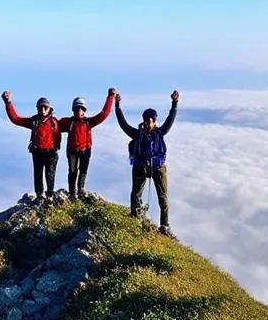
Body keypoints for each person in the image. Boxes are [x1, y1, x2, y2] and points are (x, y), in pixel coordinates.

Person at [115, 90, 179, 236]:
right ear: (144, 120)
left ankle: (164, 225)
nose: (149, 123)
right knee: (136, 194)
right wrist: (117, 106)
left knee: (162, 197)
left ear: (155, 121)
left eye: (151, 120)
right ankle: (135, 216)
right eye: (147, 120)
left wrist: (174, 103)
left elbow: (170, 120)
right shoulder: (138, 134)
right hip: (142, 167)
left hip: (157, 167)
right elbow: (123, 124)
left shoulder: (159, 132)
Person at [57, 88, 116, 200]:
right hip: (72, 151)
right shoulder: (68, 122)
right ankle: (72, 192)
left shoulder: (89, 122)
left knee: (83, 171)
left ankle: (80, 190)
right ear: (73, 110)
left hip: (85, 150)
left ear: (84, 110)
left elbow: (104, 114)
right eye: (77, 108)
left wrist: (110, 97)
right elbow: (53, 126)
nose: (79, 110)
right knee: (73, 171)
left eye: (81, 108)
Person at [1, 92, 62, 203]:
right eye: (40, 107)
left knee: (50, 175)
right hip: (37, 152)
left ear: (49, 109)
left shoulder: (55, 122)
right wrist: (7, 103)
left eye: (45, 107)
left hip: (51, 154)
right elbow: (15, 119)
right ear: (37, 108)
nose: (42, 109)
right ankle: (40, 196)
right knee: (38, 175)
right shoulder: (34, 121)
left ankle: (49, 196)